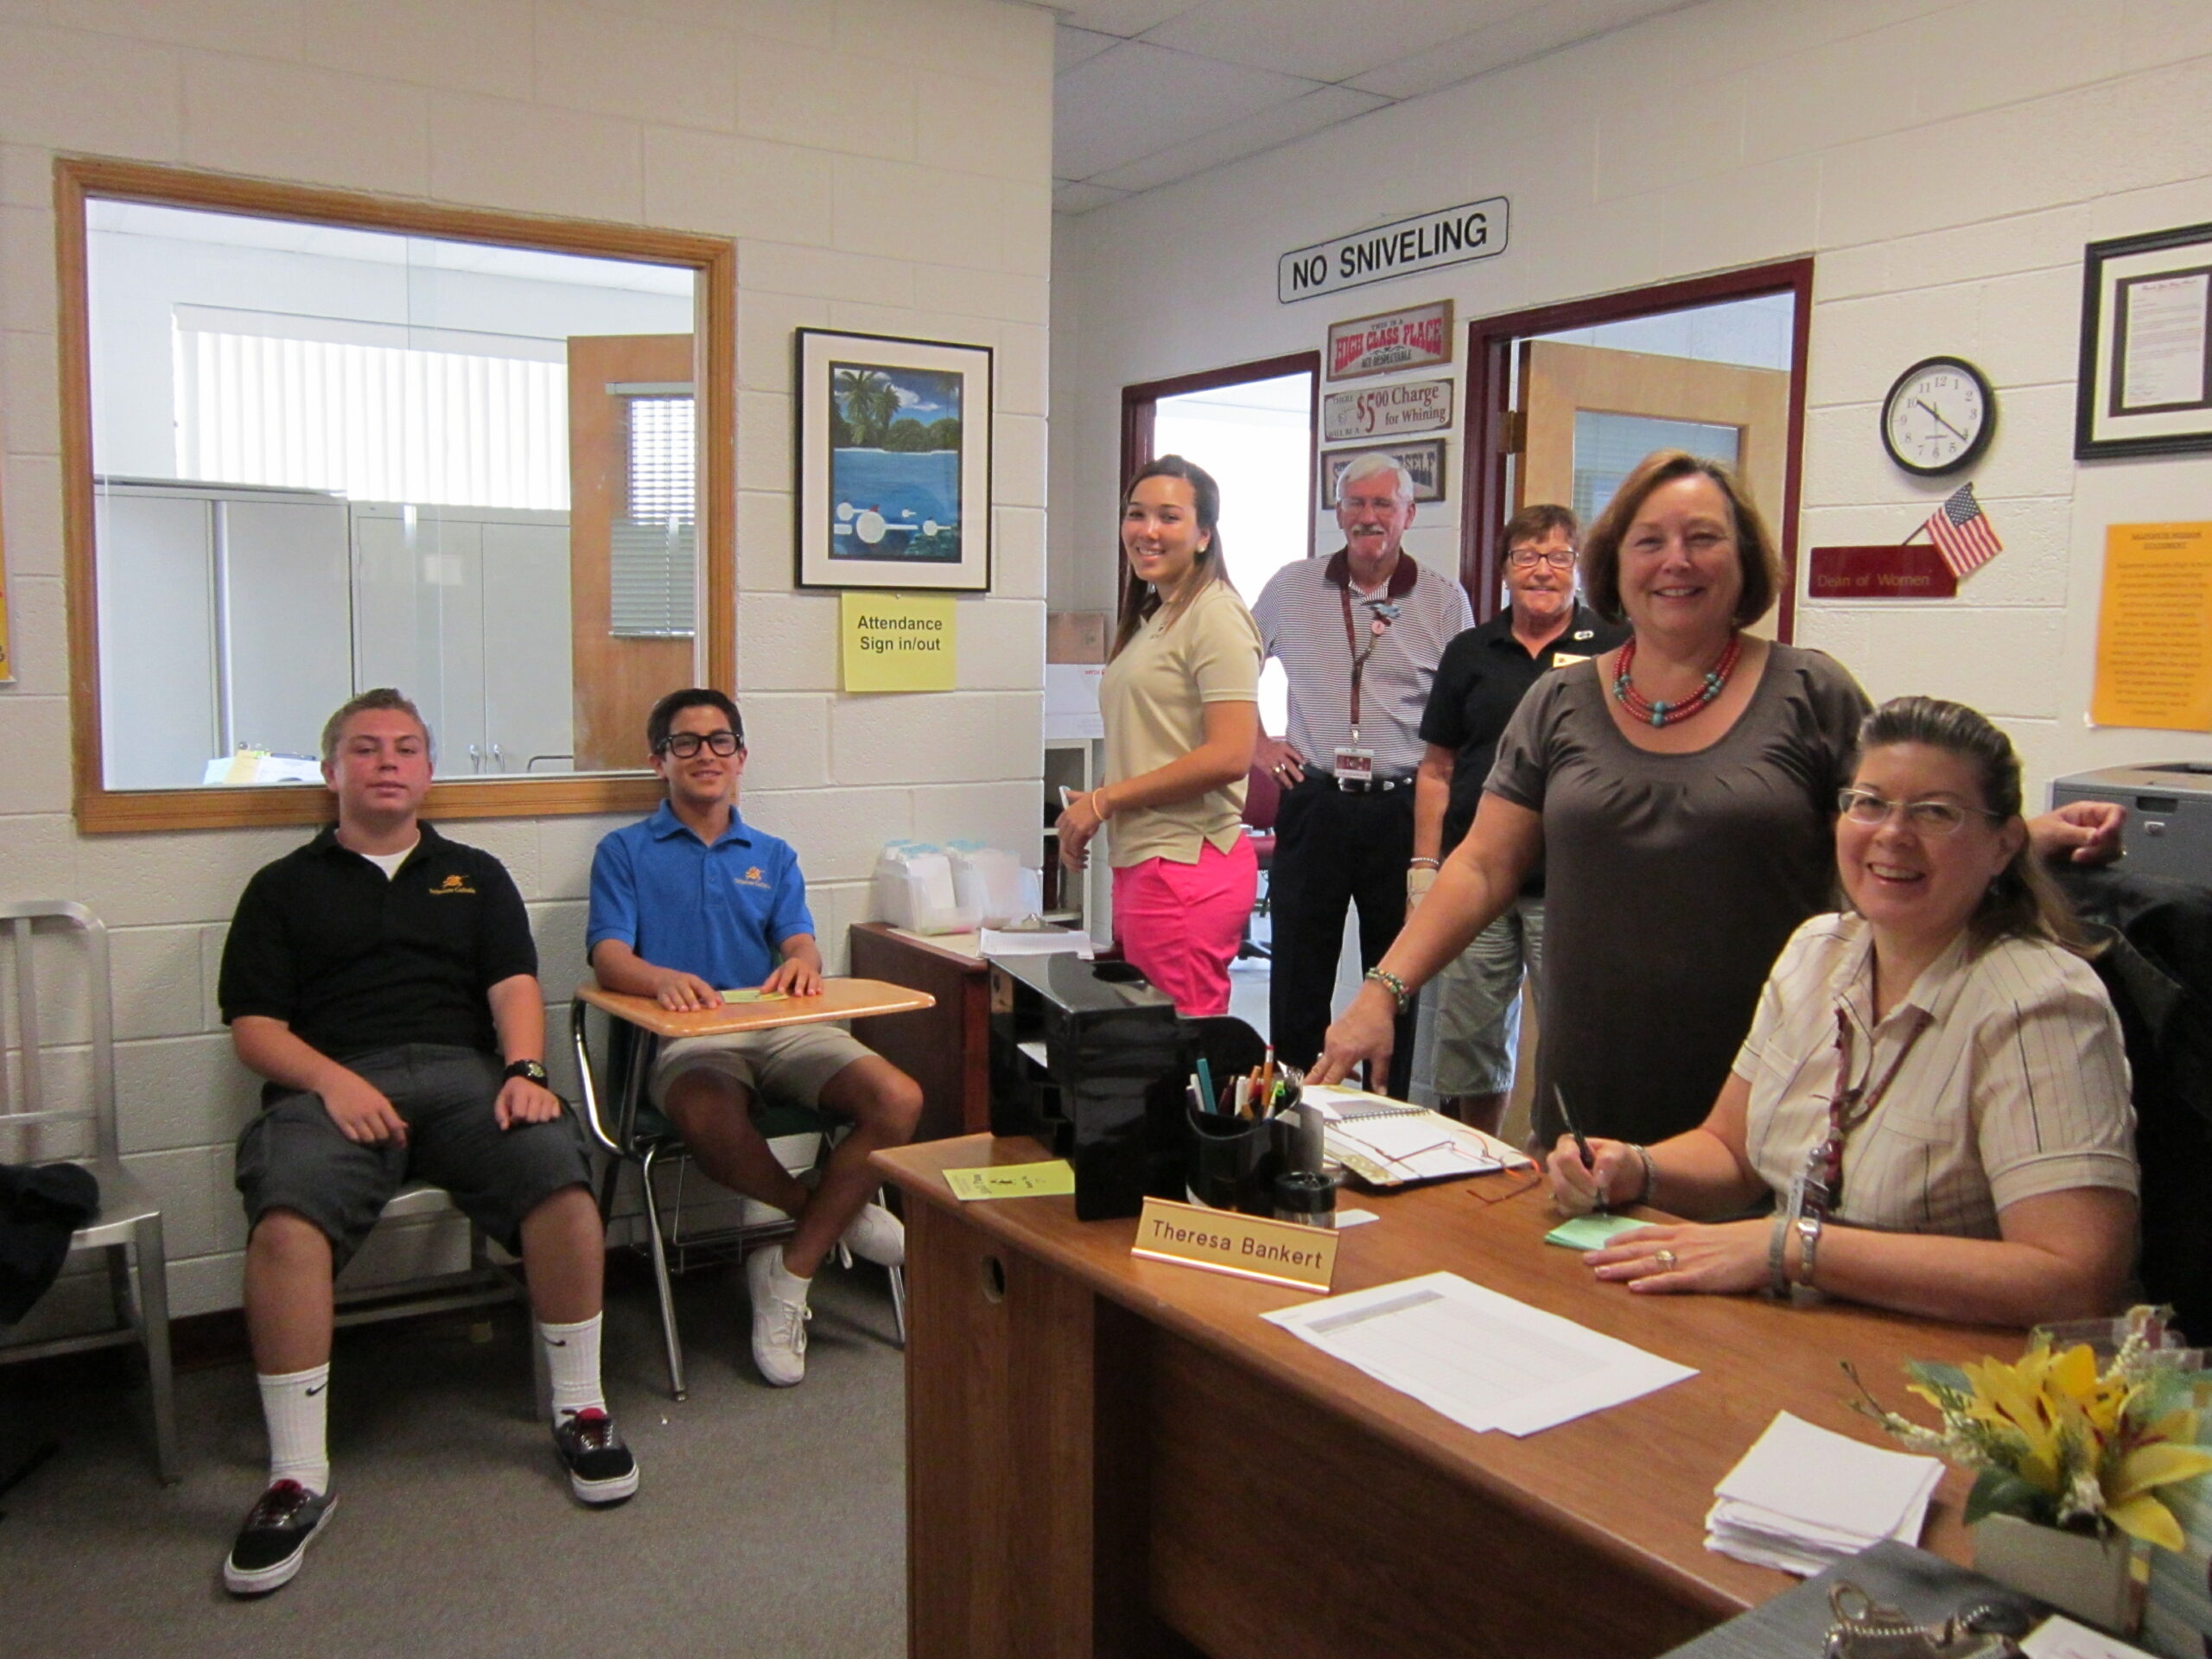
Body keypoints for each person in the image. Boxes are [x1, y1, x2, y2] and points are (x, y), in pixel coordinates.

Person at [1313, 450, 2123, 1146]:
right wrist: (1383, 991)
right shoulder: (1558, 705)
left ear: (1745, 564)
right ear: (1616, 567)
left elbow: (1898, 824)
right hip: (1590, 1092)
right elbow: (1484, 865)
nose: (1677, 561)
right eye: (1650, 541)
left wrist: (2026, 834)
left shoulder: (1810, 691)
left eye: (1704, 539)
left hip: (1776, 1090)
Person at [217, 689, 635, 1599]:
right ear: (332, 772)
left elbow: (514, 984)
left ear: (428, 772)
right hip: (331, 1086)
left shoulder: (473, 874)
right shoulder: (282, 888)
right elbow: (254, 1027)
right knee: (285, 1225)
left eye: (406, 748)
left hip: (464, 1078)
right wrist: (333, 1081)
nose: (387, 763)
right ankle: (295, 1477)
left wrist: (524, 1072)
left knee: (561, 1180)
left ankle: (582, 1410)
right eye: (365, 750)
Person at [1546, 697, 2138, 1328]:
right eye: (1869, 803)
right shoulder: (1816, 952)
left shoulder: (2039, 1004)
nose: (1892, 834)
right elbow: (1731, 1152)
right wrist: (1635, 1168)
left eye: (1935, 813)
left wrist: (1793, 1249)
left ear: (2004, 844)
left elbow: (2074, 1279)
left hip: (1958, 1373)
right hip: (1798, 1334)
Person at [588, 689, 923, 1387]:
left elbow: (796, 936)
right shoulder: (623, 852)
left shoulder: (770, 853)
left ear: (741, 759)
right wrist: (659, 980)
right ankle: (826, 1218)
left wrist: (802, 958)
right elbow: (608, 956)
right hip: (691, 1042)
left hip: (782, 1033)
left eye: (720, 742)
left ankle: (790, 1271)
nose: (705, 755)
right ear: (660, 761)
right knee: (707, 1114)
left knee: (897, 1098)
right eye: (686, 743)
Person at [1251, 452, 1472, 1093]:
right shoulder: (1292, 587)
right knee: (1297, 970)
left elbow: (1466, 706)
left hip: (1401, 809)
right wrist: (1256, 744)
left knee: (1396, 972)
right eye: (1355, 503)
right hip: (1314, 799)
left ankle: (1389, 1109)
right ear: (1338, 512)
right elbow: (1230, 664)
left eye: (1383, 504)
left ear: (1408, 515)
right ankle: (1292, 1108)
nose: (1368, 517)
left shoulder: (1442, 598)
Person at [1412, 505, 1626, 1131]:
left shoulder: (1615, 647)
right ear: (1504, 569)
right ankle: (1477, 1160)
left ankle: (1559, 1157)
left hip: (1571, 883)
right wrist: (1424, 870)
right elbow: (1437, 770)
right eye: (1527, 557)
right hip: (1476, 877)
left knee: (1574, 1034)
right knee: (1469, 1042)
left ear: (1579, 569)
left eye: (1559, 557)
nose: (1543, 571)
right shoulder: (1471, 651)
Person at [1056, 455, 1262, 1016]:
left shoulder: (1215, 615)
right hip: (1147, 862)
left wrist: (1106, 800)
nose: (1147, 531)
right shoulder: (1157, 616)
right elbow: (1155, 738)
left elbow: (1230, 754)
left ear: (1203, 535)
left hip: (1187, 866)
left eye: (1168, 517)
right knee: (1147, 1048)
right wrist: (1093, 802)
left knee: (1178, 1049)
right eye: (1136, 514)